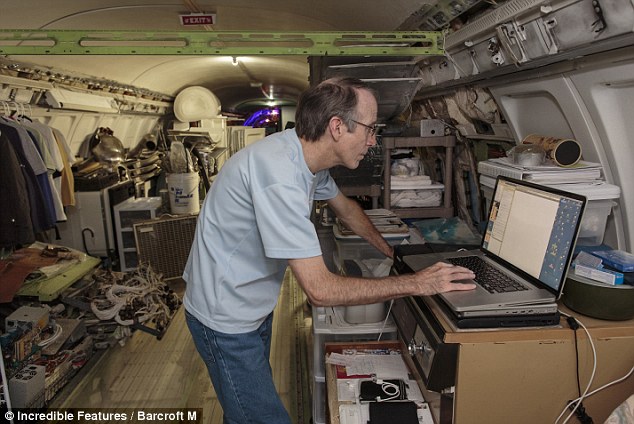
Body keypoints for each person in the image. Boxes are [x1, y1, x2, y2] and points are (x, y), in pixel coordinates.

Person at [182, 77, 476, 424]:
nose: (372, 141)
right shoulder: (279, 175)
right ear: (337, 127)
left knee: (245, 410)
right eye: (369, 129)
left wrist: (393, 255)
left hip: (251, 305)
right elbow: (320, 291)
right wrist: (418, 283)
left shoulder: (305, 158)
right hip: (224, 318)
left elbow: (347, 209)